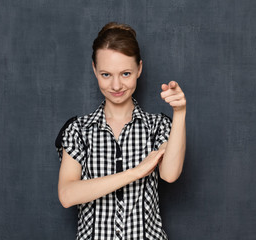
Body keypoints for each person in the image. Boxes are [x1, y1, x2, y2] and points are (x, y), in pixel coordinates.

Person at [55, 22, 186, 240]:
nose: (116, 85)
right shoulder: (78, 130)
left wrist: (179, 112)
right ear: (94, 69)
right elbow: (67, 195)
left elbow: (170, 174)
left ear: (139, 69)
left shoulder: (158, 126)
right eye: (106, 74)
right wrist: (134, 173)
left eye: (125, 73)